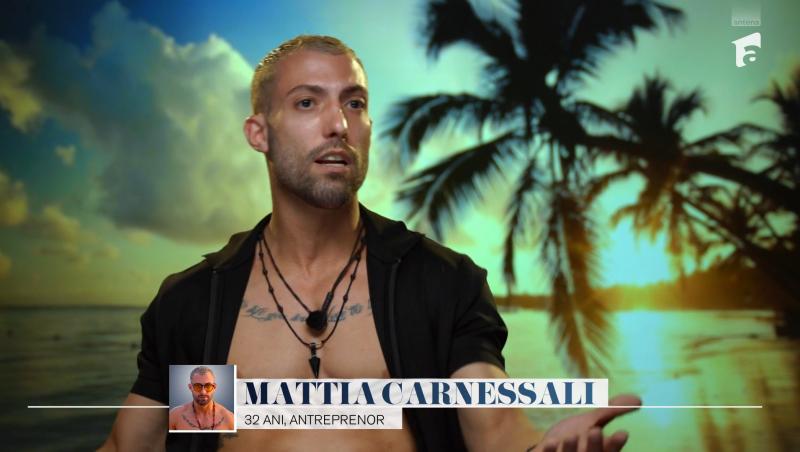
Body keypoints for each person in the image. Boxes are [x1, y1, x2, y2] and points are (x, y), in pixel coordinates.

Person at [100, 35, 641, 452]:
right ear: (258, 132)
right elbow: (138, 445)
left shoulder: (440, 284)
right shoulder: (199, 304)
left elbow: (493, 427)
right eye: (307, 103)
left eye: (354, 103)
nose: (338, 124)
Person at [168, 367, 235, 431]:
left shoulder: (230, 418)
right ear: (190, 387)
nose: (203, 392)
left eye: (208, 386)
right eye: (197, 386)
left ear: (214, 387)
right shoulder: (175, 415)